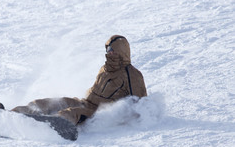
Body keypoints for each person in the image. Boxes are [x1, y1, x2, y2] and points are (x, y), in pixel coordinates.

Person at [10, 35, 147, 125]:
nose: (109, 53)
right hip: (85, 102)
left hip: (99, 113)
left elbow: (143, 104)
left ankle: (53, 124)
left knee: (71, 113)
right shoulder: (105, 68)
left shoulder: (132, 74)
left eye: (112, 50)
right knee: (49, 103)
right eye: (108, 49)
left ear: (122, 51)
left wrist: (125, 118)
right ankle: (13, 114)